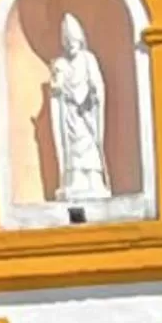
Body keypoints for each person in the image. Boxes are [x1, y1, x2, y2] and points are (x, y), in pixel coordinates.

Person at [47, 12, 111, 201]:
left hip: (87, 112)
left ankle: (93, 178)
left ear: (80, 40)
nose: (71, 45)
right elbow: (56, 86)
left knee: (90, 144)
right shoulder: (61, 63)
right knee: (72, 148)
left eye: (74, 41)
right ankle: (75, 179)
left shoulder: (88, 59)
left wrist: (94, 93)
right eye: (67, 41)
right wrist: (56, 86)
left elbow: (97, 84)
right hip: (70, 114)